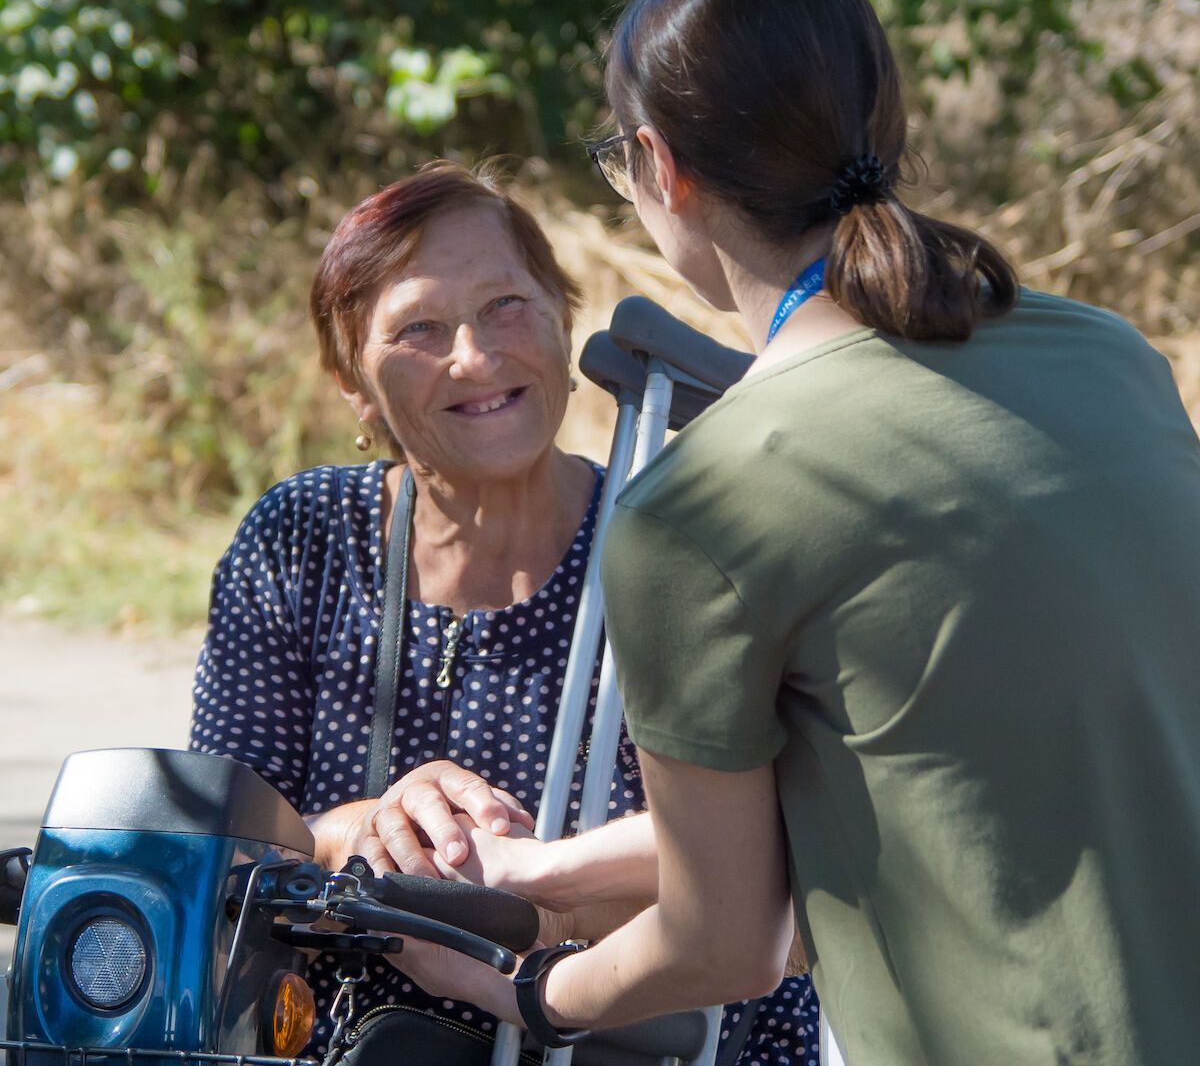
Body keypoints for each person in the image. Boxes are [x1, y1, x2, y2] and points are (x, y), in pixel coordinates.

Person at [394, 0, 1200, 1066]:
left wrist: (531, 995)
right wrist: (550, 870)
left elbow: (728, 942)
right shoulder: (1114, 360)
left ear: (657, 167)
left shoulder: (700, 509)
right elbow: (920, 774)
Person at [188, 161, 820, 1062]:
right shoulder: (301, 541)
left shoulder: (681, 547)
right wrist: (366, 829)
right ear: (353, 384)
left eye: (506, 306)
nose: (476, 358)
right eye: (418, 328)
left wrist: (525, 897)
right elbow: (224, 837)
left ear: (564, 315)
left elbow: (778, 889)